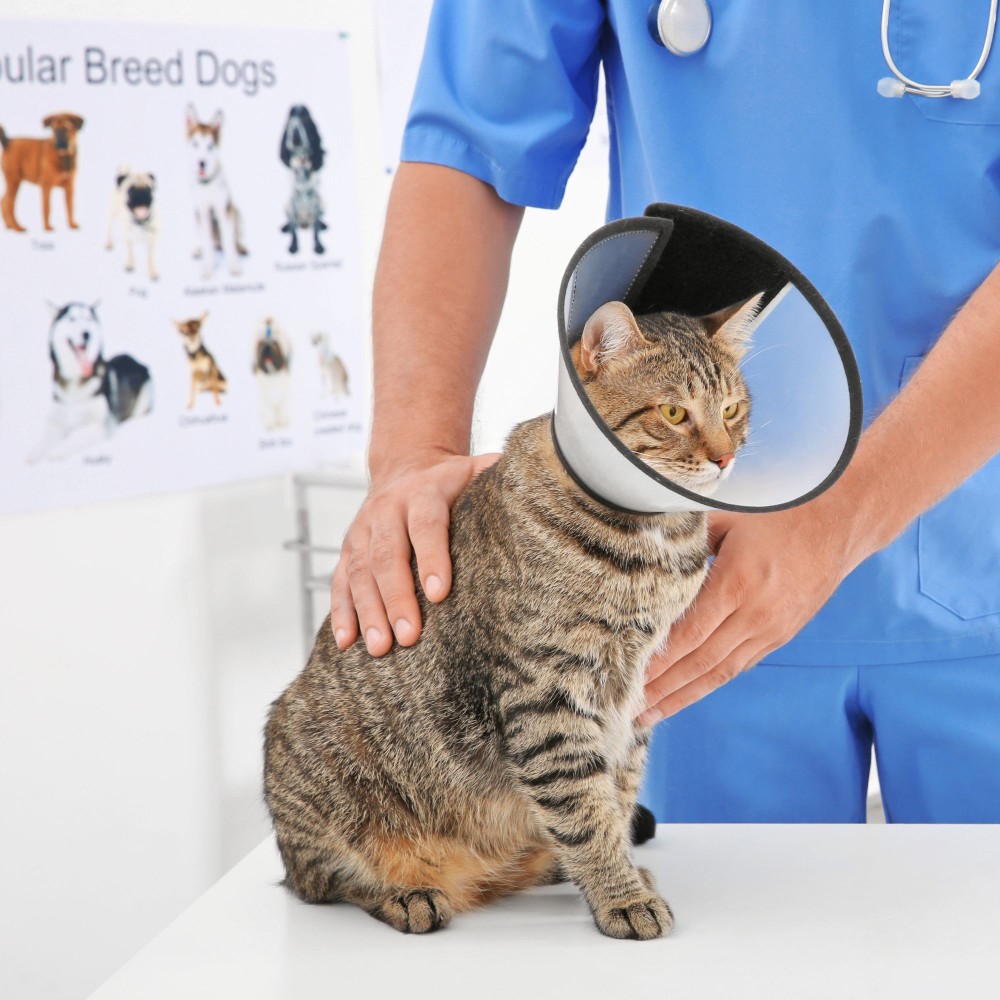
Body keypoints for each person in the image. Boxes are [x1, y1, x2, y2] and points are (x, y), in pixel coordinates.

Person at [331, 1, 1000, 823]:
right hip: (682, 598)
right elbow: (468, 144)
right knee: (681, 902)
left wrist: (841, 515)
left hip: (981, 556)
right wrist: (414, 455)